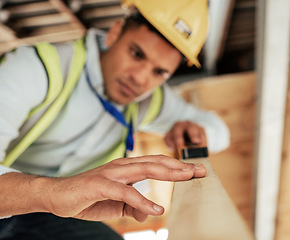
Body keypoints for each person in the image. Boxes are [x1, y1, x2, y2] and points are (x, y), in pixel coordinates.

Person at [0, 0, 229, 239]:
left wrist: (196, 132)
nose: (140, 79)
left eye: (159, 72)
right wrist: (53, 192)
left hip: (53, 215)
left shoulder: (150, 101)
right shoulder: (36, 67)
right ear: (114, 33)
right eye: (137, 54)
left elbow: (220, 131)